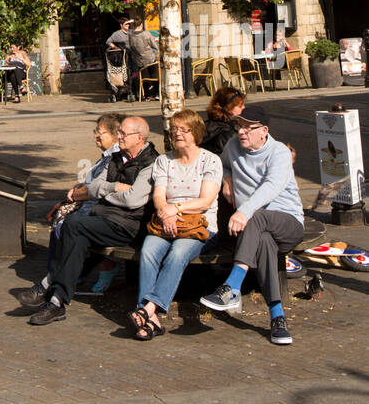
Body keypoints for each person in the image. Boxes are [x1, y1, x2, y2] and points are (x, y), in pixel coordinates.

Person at [17, 117, 158, 324]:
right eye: (118, 132)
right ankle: (56, 302)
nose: (119, 137)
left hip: (129, 225)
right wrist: (113, 187)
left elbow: (133, 200)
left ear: (139, 138)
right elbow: (93, 188)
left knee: (73, 224)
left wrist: (105, 192)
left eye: (123, 134)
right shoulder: (116, 157)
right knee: (76, 236)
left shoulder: (151, 162)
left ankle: (48, 284)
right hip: (104, 218)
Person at [200, 105, 304, 346]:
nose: (242, 132)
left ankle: (232, 285)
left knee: (258, 216)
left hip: (287, 222)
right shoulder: (233, 146)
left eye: (248, 127)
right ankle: (278, 317)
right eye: (239, 126)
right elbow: (222, 164)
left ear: (263, 131)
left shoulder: (279, 153)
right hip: (257, 232)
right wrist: (227, 178)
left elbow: (271, 187)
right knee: (264, 240)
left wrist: (244, 211)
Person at [130, 110, 222, 339]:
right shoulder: (163, 161)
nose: (177, 134)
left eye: (183, 129)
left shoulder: (210, 161)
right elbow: (159, 195)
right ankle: (150, 320)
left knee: (178, 252)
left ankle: (148, 308)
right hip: (167, 222)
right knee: (149, 250)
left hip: (200, 225)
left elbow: (206, 201)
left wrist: (176, 209)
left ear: (196, 132)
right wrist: (165, 212)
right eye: (174, 129)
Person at [42, 114, 123, 298]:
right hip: (92, 206)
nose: (96, 135)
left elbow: (97, 189)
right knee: (62, 221)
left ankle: (62, 276)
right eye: (95, 131)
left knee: (67, 225)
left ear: (115, 135)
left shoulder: (113, 157)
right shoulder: (106, 156)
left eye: (100, 132)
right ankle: (61, 274)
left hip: (102, 209)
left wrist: (77, 194)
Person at [201, 85, 246, 155]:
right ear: (228, 108)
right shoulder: (228, 133)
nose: (244, 107)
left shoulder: (206, 126)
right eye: (240, 106)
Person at [128, 20, 159, 98]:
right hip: (150, 58)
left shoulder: (130, 34)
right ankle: (157, 94)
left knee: (144, 77)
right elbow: (154, 45)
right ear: (141, 25)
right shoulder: (146, 34)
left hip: (139, 60)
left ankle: (147, 95)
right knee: (154, 75)